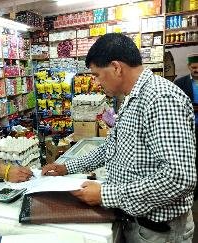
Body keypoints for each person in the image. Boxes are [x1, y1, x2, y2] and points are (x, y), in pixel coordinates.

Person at [42, 33, 196, 242]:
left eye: (96, 75)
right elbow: (111, 147)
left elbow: (178, 178)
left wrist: (106, 194)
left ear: (116, 67)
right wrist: (67, 167)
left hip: (158, 232)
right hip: (135, 223)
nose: (95, 82)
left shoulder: (161, 99)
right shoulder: (132, 98)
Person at [175, 53, 198, 200]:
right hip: (188, 128)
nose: (197, 70)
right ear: (189, 67)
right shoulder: (180, 83)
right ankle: (192, 192)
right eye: (194, 67)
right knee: (191, 158)